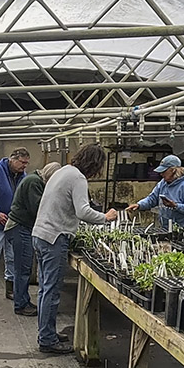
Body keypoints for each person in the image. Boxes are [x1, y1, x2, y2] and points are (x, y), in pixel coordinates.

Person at [32, 145, 118, 354]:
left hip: (40, 234)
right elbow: (83, 211)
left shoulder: (62, 171)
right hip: (54, 238)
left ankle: (47, 333)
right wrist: (105, 218)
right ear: (94, 164)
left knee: (45, 289)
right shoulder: (78, 178)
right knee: (51, 291)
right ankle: (47, 341)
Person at [5, 161, 61, 316]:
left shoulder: (34, 180)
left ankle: (23, 301)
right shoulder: (34, 183)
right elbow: (38, 209)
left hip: (22, 227)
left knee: (24, 268)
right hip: (19, 227)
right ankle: (20, 305)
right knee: (22, 269)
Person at [0, 147, 30, 303]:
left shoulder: (23, 176)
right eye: (22, 163)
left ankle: (10, 289)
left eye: (27, 163)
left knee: (12, 257)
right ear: (13, 159)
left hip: (13, 223)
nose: (24, 166)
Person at [127, 154, 184, 229]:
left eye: (164, 171)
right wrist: (139, 205)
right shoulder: (163, 183)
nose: (161, 174)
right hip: (165, 227)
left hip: (182, 229)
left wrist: (175, 206)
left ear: (173, 170)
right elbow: (152, 199)